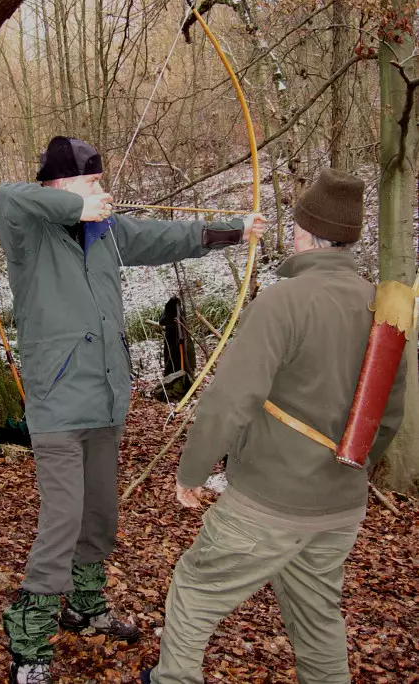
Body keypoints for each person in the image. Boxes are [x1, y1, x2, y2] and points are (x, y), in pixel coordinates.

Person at [0, 135, 265, 684]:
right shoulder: (30, 233)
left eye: (99, 182)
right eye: (91, 181)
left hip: (106, 398)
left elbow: (169, 237)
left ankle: (85, 606)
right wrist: (77, 205)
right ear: (60, 184)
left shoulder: (106, 234)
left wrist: (236, 231)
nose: (102, 190)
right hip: (57, 405)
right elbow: (6, 196)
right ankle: (29, 636)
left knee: (100, 514)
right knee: (64, 516)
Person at [143, 168, 407, 684]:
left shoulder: (284, 300)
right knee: (317, 620)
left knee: (194, 591)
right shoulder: (384, 306)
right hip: (340, 509)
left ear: (304, 233)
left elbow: (230, 399)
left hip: (269, 504)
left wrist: (192, 471)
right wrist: (355, 469)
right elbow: (391, 413)